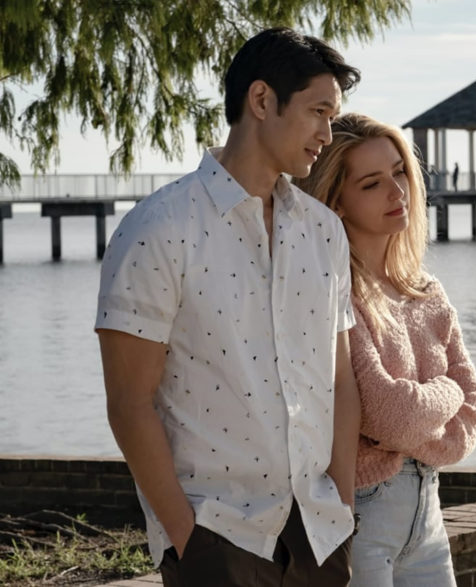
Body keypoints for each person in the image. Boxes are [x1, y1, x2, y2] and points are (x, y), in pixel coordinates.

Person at [95, 27, 362, 586]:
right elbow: (129, 403)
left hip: (319, 536)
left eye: (332, 116)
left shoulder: (325, 233)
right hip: (217, 540)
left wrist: (340, 501)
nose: (327, 133)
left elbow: (339, 379)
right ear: (262, 100)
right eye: (318, 111)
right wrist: (187, 538)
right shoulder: (158, 229)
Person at [293, 113, 476, 586]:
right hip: (364, 517)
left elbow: (472, 416)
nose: (397, 192)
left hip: (428, 515)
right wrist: (442, 398)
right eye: (372, 183)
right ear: (336, 202)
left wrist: (415, 417)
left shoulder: (426, 292)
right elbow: (388, 413)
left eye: (399, 172)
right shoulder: (338, 294)